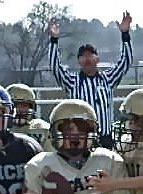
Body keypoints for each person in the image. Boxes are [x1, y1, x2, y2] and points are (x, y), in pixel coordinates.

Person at [49, 11, 133, 149]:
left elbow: (126, 61)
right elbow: (55, 67)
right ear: (78, 61)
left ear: (97, 59)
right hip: (81, 141)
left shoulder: (108, 79)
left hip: (106, 139)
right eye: (83, 56)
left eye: (90, 55)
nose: (87, 58)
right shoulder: (72, 82)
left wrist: (125, 34)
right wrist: (54, 40)